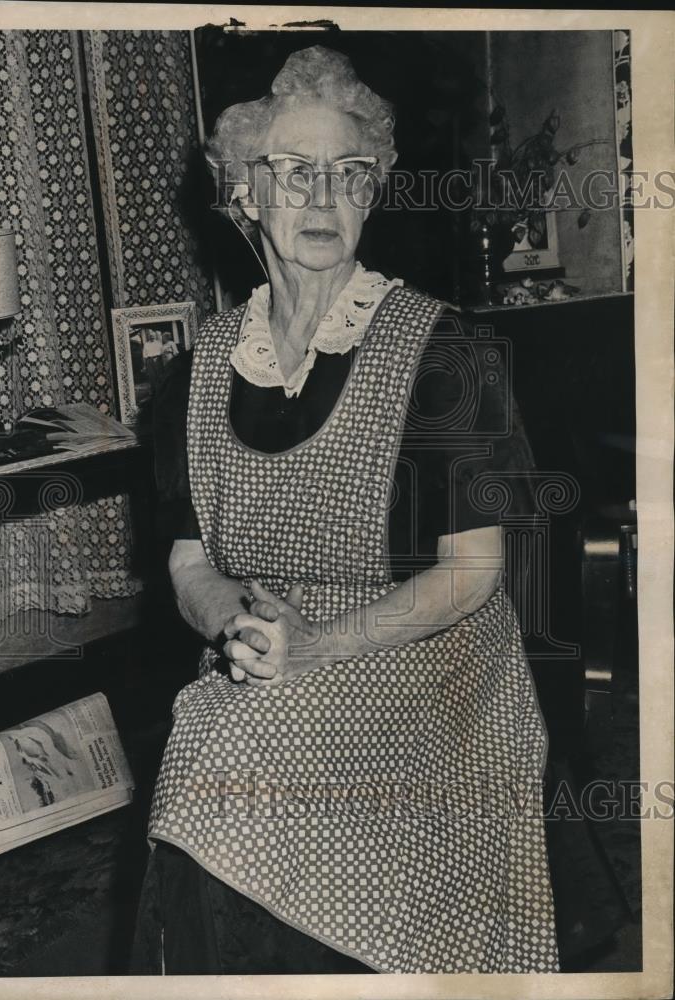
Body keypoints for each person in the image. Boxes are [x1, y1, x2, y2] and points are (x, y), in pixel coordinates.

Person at [132, 45, 558, 975]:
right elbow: (188, 562)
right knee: (211, 734)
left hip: (431, 661)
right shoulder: (196, 374)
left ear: (373, 196)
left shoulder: (445, 354)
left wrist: (321, 646)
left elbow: (476, 571)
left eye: (349, 175)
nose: (322, 200)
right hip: (273, 648)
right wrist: (237, 629)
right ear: (245, 195)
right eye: (294, 174)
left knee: (241, 752)